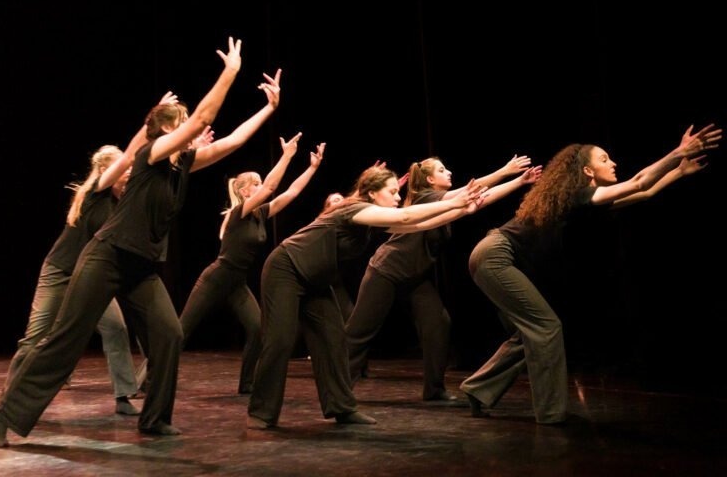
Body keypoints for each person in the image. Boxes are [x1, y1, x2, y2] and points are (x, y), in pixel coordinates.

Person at [0, 37, 262, 447]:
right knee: (65, 339)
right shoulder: (151, 155)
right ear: (169, 129)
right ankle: (4, 414)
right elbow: (203, 118)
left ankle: (154, 419)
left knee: (169, 335)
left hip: (141, 267)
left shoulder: (181, 165)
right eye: (183, 124)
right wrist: (231, 73)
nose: (194, 130)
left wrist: (268, 109)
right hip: (106, 257)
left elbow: (234, 141)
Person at [459, 124, 721, 424]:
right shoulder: (577, 194)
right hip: (495, 256)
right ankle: (550, 413)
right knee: (546, 328)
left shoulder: (583, 198)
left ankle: (478, 389)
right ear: (586, 171)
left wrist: (678, 172)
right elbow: (637, 182)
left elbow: (643, 192)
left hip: (494, 257)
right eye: (605, 159)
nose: (614, 164)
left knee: (528, 334)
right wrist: (677, 153)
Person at [247, 164, 486, 429]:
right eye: (393, 192)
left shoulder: (371, 219)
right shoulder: (354, 209)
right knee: (280, 340)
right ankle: (262, 412)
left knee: (333, 340)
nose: (398, 198)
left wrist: (460, 209)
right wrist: (454, 204)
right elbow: (406, 217)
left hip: (316, 279)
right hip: (286, 268)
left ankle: (342, 407)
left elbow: (417, 224)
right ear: (372, 194)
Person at [346, 155, 541, 401]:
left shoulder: (443, 201)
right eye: (441, 169)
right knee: (360, 331)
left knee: (438, 324)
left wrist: (519, 182)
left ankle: (435, 390)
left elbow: (480, 200)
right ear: (429, 179)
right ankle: (337, 389)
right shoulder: (426, 196)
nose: (448, 172)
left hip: (415, 278)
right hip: (387, 271)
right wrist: (504, 171)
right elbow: (473, 188)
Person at [161, 134, 325, 395]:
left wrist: (312, 168)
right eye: (256, 183)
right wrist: (287, 156)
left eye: (260, 182)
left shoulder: (260, 214)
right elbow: (271, 187)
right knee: (182, 330)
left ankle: (247, 383)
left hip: (236, 282)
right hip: (217, 278)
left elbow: (291, 192)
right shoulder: (239, 213)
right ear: (244, 190)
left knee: (258, 328)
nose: (262, 186)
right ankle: (148, 380)